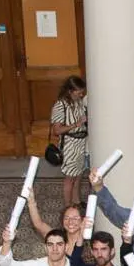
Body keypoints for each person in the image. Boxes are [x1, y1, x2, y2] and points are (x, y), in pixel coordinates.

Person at [49, 74, 89, 208]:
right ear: (70, 91)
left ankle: (76, 201)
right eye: (79, 92)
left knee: (78, 175)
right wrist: (76, 124)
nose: (81, 94)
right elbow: (57, 130)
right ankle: (67, 206)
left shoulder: (78, 102)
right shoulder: (60, 106)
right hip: (70, 145)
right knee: (69, 178)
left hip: (80, 143)